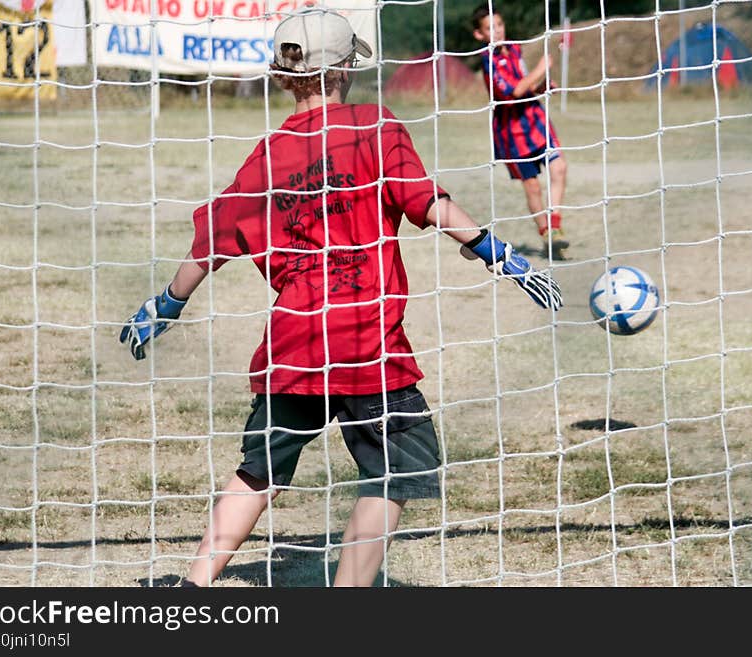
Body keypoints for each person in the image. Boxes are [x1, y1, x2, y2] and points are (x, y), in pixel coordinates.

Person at [119, 6, 562, 588]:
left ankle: (193, 585)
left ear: (281, 77)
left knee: (260, 468)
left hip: (295, 343)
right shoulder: (376, 127)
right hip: (367, 342)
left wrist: (167, 304)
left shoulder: (268, 155)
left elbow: (214, 240)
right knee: (396, 469)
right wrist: (493, 250)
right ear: (348, 67)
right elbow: (425, 200)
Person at [471, 3, 570, 261]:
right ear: (479, 34)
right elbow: (513, 91)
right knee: (533, 186)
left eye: (499, 25)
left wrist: (541, 86)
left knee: (559, 167)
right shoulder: (488, 61)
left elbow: (525, 85)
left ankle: (556, 225)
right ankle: (546, 232)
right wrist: (541, 69)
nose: (497, 31)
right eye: (490, 28)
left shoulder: (515, 49)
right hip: (511, 134)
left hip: (534, 120)